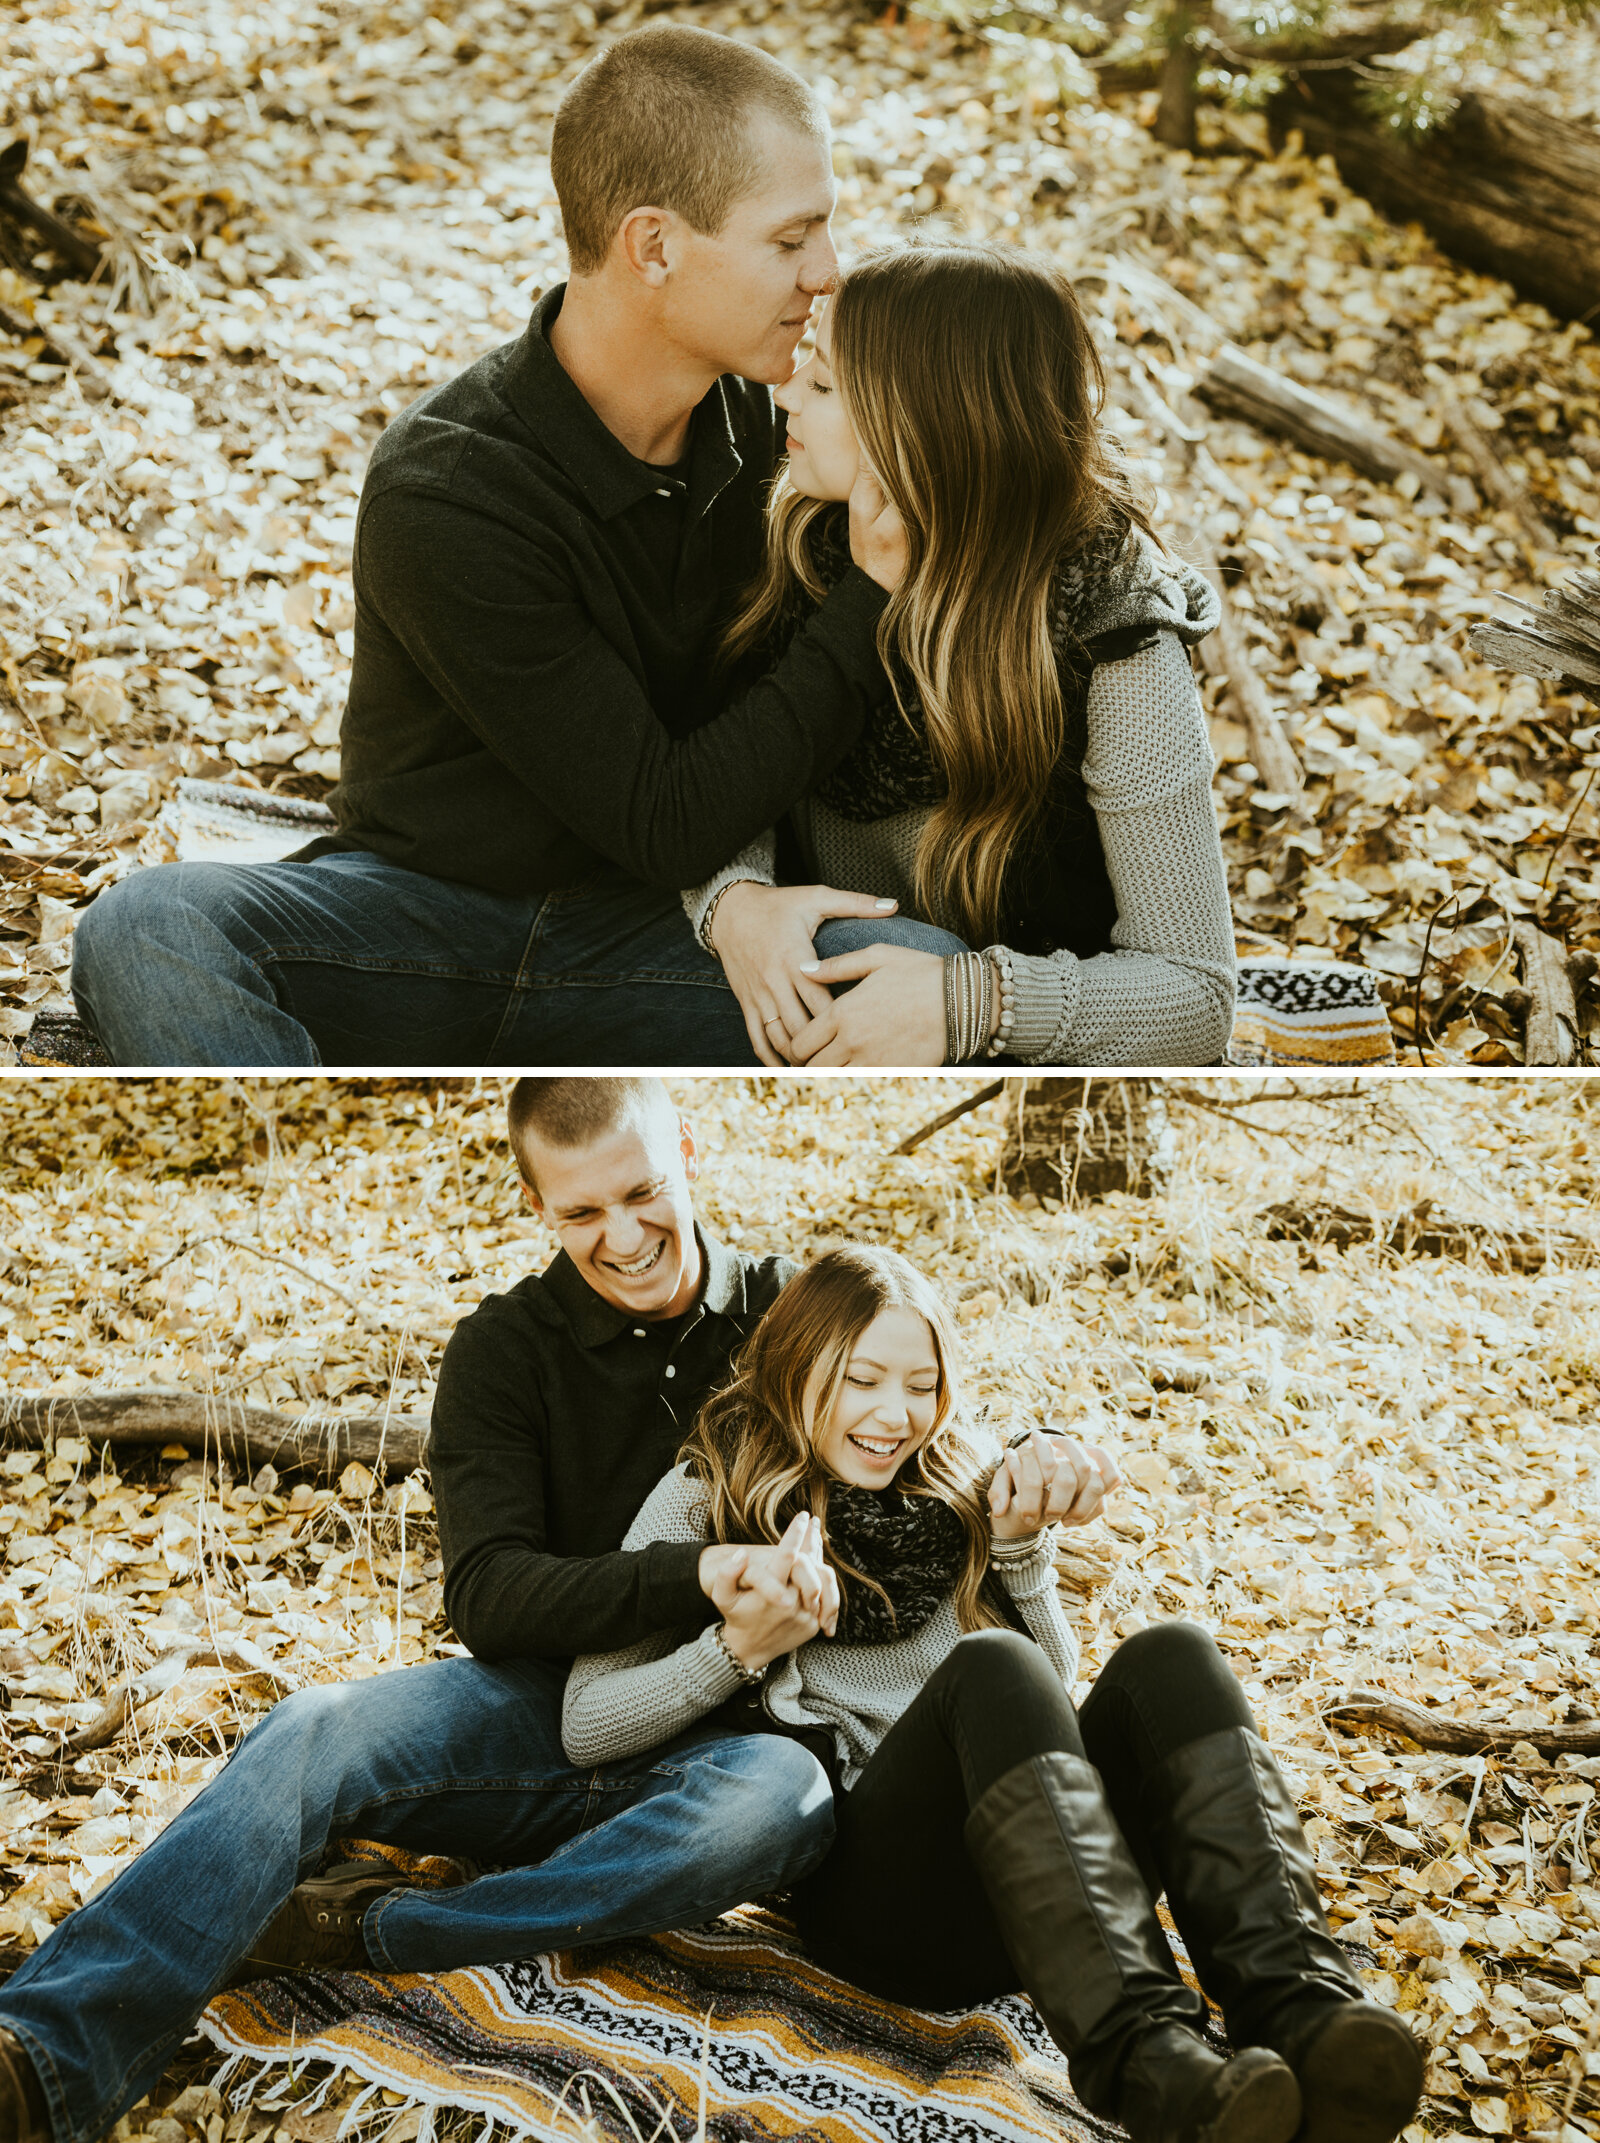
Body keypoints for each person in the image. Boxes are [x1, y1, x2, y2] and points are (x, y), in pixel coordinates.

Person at [0, 1079, 835, 2143]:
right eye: (581, 1212)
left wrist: (1027, 1468)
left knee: (782, 1798)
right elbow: (489, 1593)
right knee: (314, 1728)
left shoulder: (795, 1311)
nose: (623, 1237)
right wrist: (699, 1571)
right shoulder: (504, 1350)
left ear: (686, 1148)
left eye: (642, 1191)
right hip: (544, 1712)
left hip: (745, 1732)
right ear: (536, 1202)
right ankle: (39, 2057)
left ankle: (371, 1929)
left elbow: (921, 1434)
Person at [68, 25, 911, 1070]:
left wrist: (734, 900)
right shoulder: (452, 488)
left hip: (650, 933)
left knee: (911, 965)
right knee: (148, 929)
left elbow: (711, 802)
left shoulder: (780, 433)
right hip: (414, 923)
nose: (828, 273)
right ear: (652, 247)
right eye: (790, 241)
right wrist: (870, 593)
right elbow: (663, 813)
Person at [563, 1247, 1425, 2143]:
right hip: (881, 1902)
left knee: (1176, 1656)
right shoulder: (710, 1494)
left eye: (921, 1386)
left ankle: (1300, 2008)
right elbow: (586, 1722)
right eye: (860, 1379)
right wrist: (735, 1650)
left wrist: (1019, 1547)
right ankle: (1146, 2063)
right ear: (795, 1365)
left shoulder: (959, 1473)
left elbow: (1044, 1709)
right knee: (991, 1665)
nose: (894, 1415)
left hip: (1037, 1886)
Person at [686, 247, 1236, 1069]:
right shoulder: (797, 540)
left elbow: (1196, 995)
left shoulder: (1114, 637)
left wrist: (971, 1000)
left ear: (931, 432)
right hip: (817, 990)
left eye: (826, 384)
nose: (785, 392)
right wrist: (735, 901)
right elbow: (710, 779)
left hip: (1017, 1034)